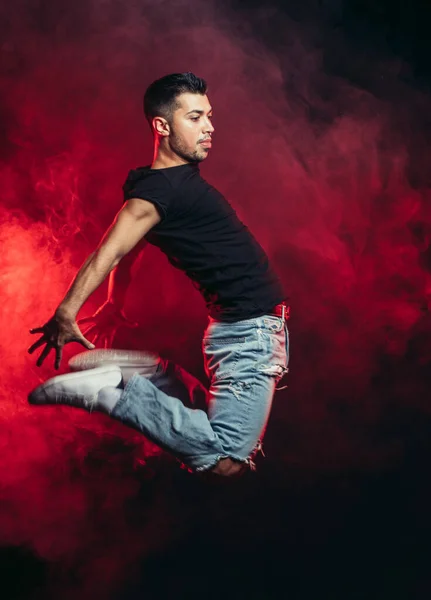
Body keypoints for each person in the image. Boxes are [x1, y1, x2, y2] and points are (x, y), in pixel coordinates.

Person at [28, 72, 289, 477]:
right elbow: (109, 252)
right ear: (163, 126)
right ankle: (111, 394)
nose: (210, 127)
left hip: (238, 328)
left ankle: (143, 373)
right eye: (197, 117)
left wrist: (115, 300)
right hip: (249, 333)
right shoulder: (160, 193)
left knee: (202, 421)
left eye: (210, 116)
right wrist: (67, 313)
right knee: (225, 462)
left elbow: (129, 253)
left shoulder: (162, 186)